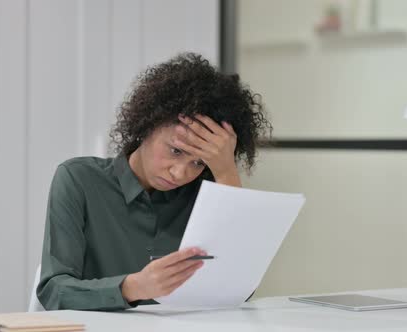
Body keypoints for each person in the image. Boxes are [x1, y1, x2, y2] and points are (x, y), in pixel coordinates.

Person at [36, 53, 272, 310]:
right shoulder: (79, 179)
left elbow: (239, 291)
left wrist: (226, 172)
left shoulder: (205, 196)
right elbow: (54, 291)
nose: (180, 173)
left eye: (199, 162)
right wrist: (133, 287)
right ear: (148, 125)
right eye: (176, 151)